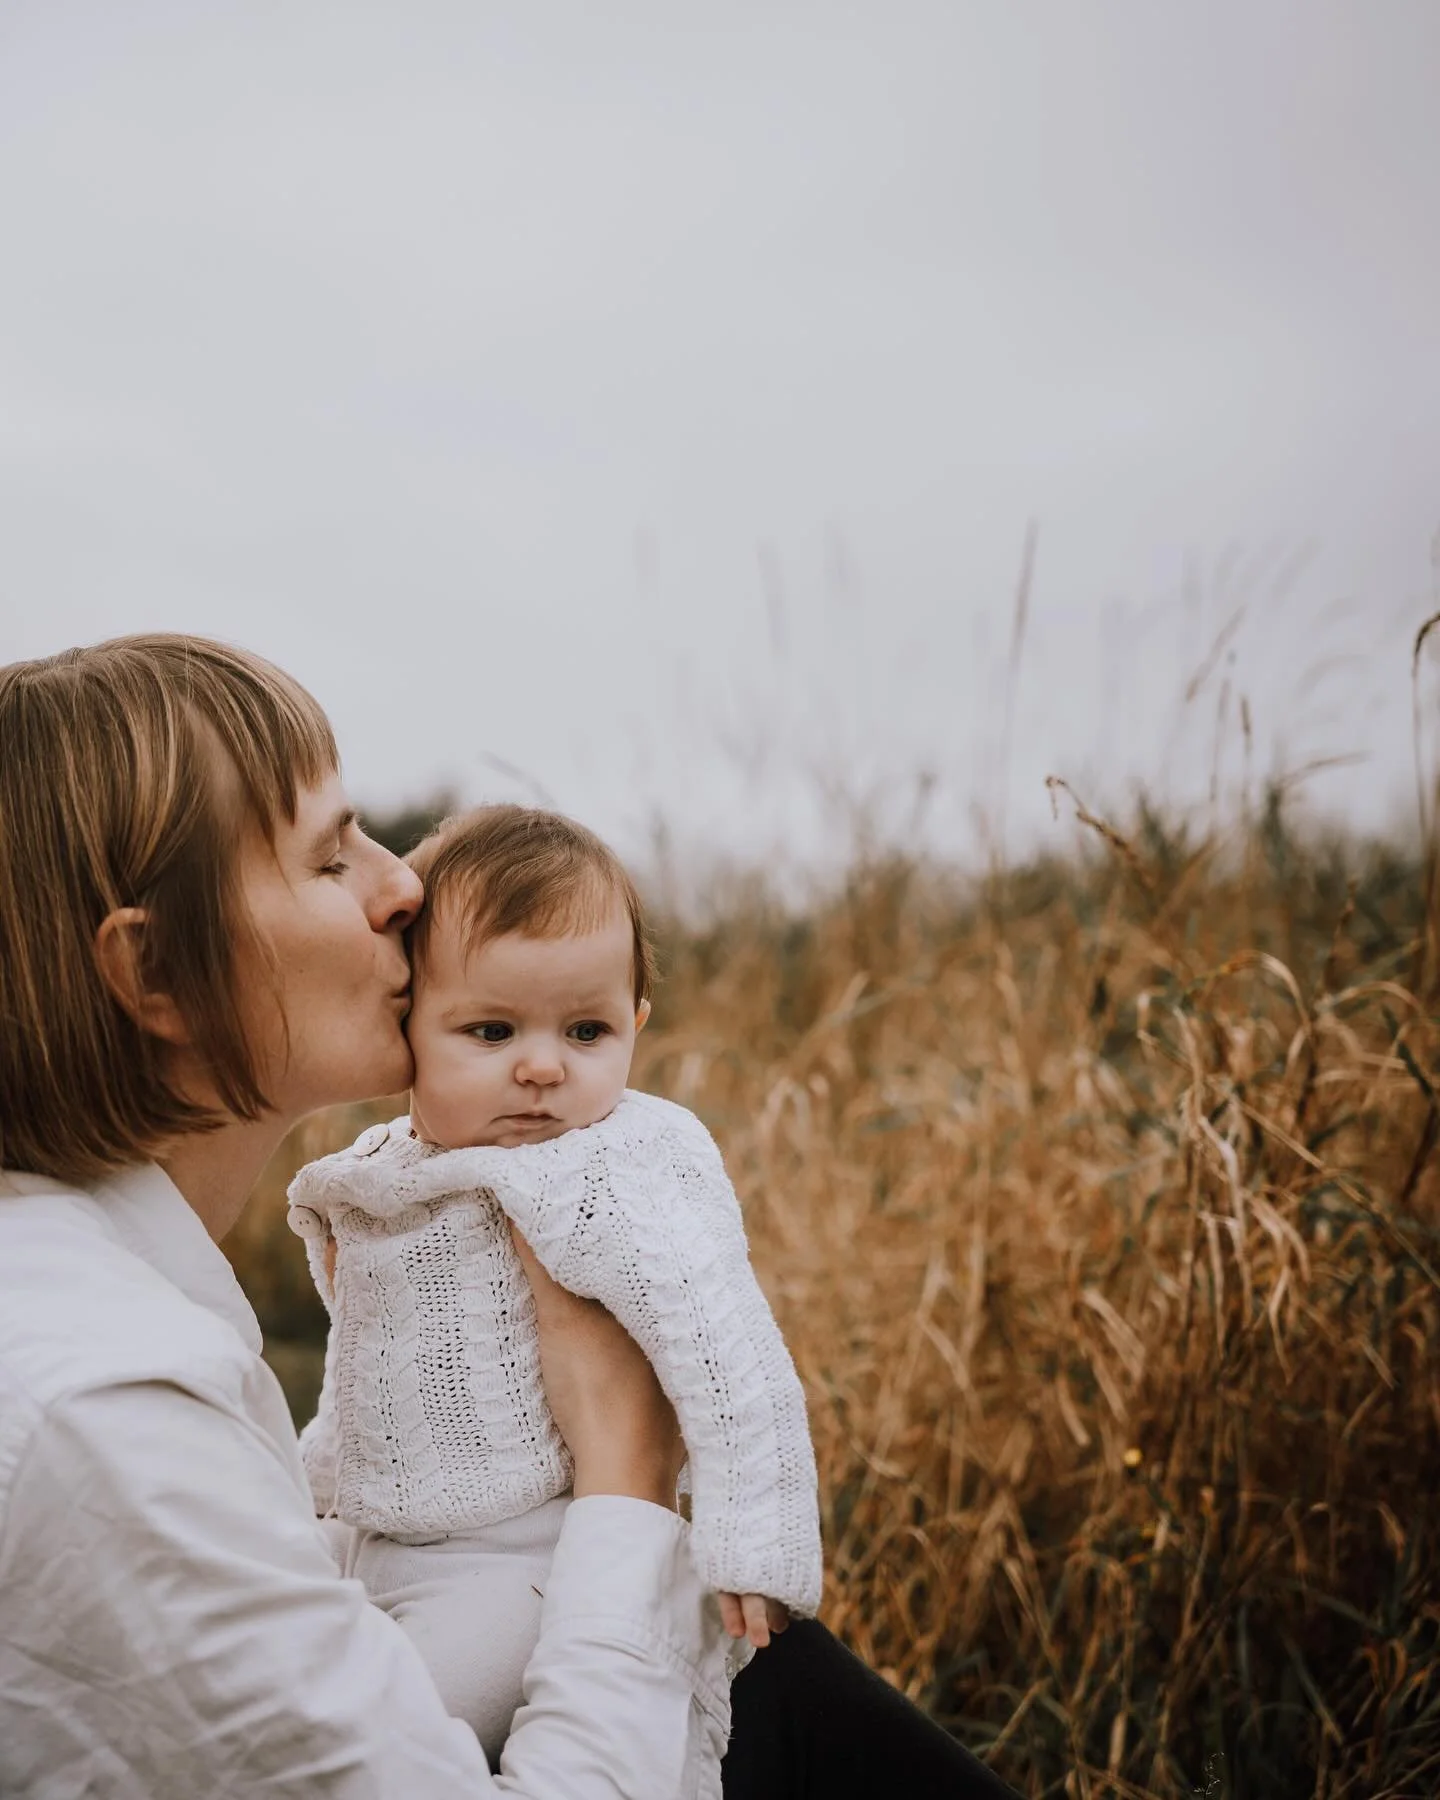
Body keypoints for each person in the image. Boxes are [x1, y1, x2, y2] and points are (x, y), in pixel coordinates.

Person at [0, 633, 1021, 1799]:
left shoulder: (96, 1306)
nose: (402, 886)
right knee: (769, 1692)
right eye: (330, 859)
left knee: (781, 1687)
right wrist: (627, 1476)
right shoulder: (106, 1421)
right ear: (157, 978)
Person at [285, 804, 823, 1772]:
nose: (541, 1068)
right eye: (490, 1031)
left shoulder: (613, 1166)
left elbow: (727, 1349)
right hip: (380, 1534)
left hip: (521, 1557)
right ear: (408, 1023)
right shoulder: (392, 1171)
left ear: (637, 1025)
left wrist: (759, 1542)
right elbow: (360, 1373)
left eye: (587, 1030)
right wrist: (316, 1493)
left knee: (373, 1728)